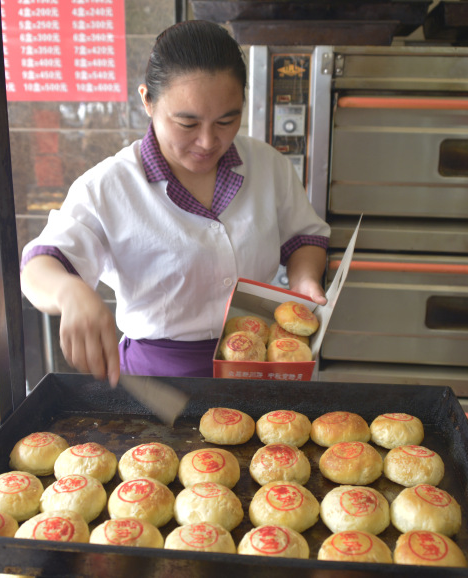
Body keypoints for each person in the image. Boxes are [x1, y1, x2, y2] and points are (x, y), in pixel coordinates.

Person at [20, 20, 331, 386]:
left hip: (256, 363)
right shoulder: (110, 185)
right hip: (159, 381)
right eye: (187, 123)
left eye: (226, 121)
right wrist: (69, 291)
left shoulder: (267, 164)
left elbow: (304, 237)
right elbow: (39, 266)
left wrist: (305, 281)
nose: (207, 141)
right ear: (147, 102)